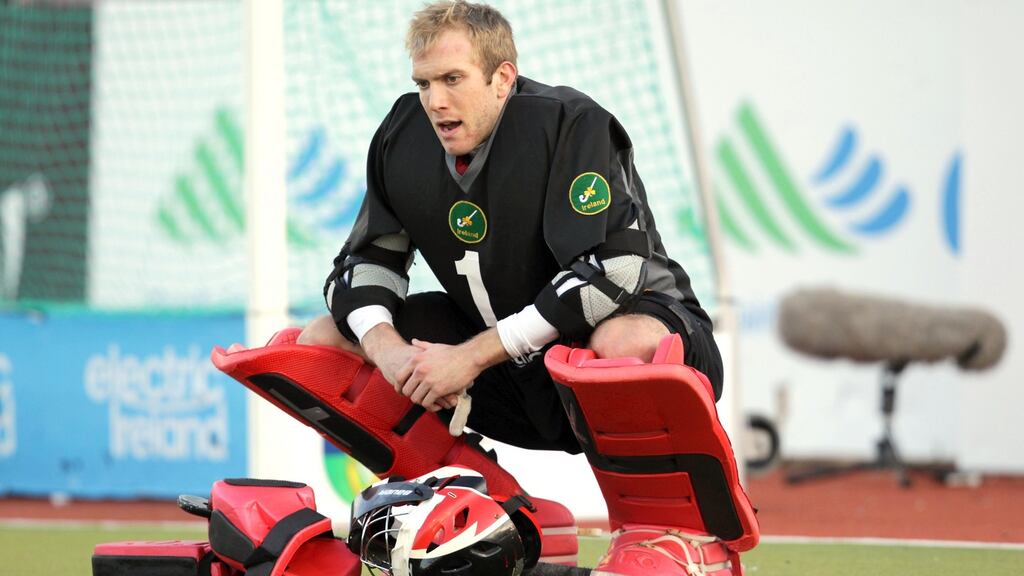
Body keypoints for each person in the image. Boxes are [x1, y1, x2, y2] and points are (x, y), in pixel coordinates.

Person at [297, 2, 754, 573]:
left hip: (634, 354)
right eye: (424, 83)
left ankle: (680, 536)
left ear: (503, 78)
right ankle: (483, 508)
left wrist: (470, 356)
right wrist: (390, 354)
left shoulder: (570, 124)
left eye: (453, 79)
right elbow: (358, 266)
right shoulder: (402, 135)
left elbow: (609, 274)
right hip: (516, 378)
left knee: (620, 341)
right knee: (323, 340)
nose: (435, 101)